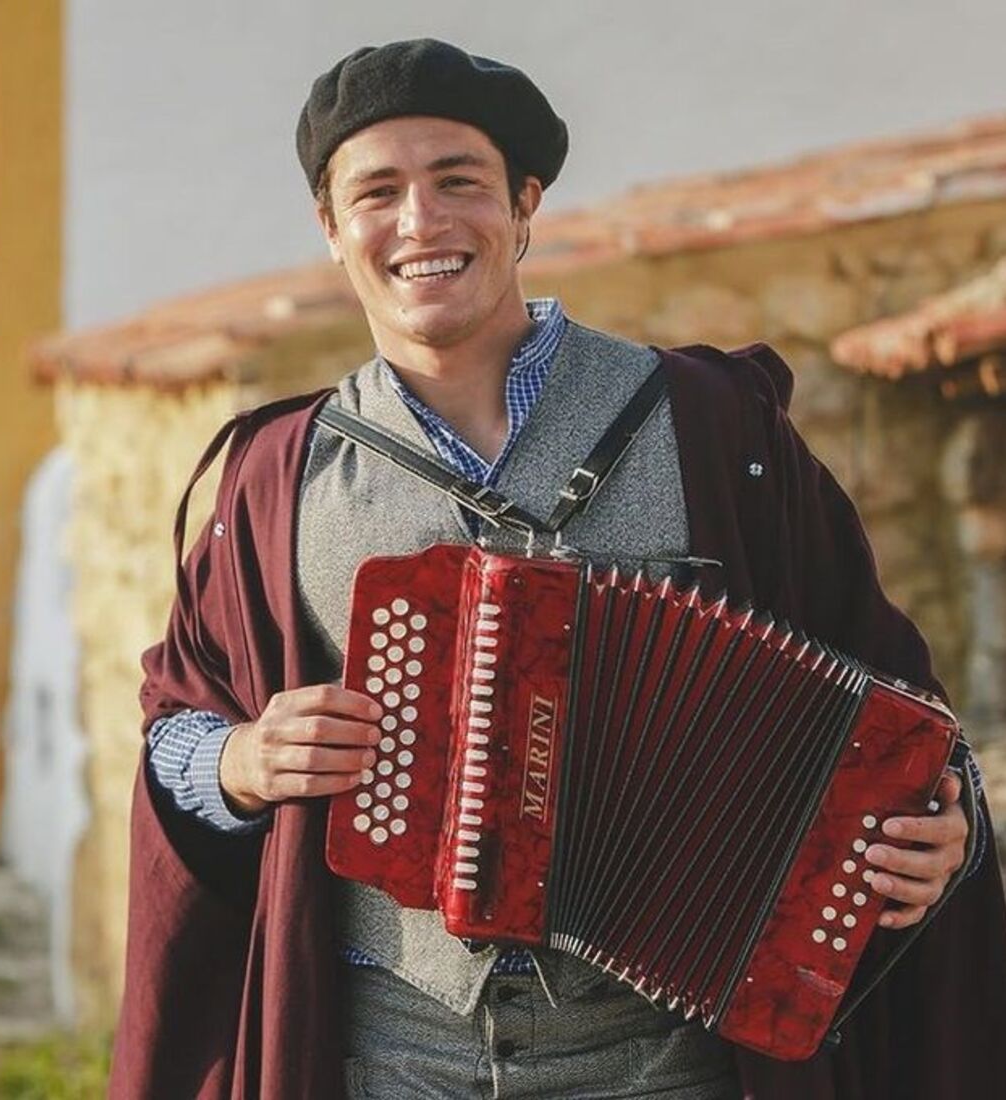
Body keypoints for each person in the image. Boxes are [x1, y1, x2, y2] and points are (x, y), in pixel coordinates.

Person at [109, 39, 1006, 1100]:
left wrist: (941, 825)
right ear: (331, 229)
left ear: (523, 206)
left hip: (667, 1060)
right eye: (377, 192)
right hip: (387, 1056)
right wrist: (240, 762)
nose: (421, 222)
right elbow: (178, 727)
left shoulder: (715, 432)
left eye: (458, 182)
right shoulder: (277, 474)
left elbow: (901, 713)